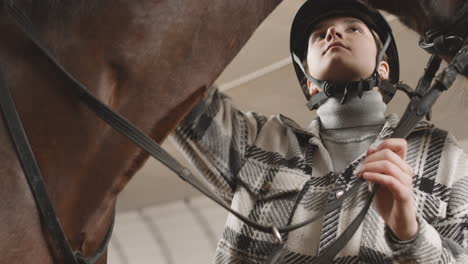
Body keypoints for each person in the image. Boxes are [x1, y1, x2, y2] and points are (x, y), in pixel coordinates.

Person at [171, 0, 468, 262]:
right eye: (318, 35)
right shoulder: (257, 140)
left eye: (353, 28)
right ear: (310, 82)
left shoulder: (444, 156)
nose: (332, 34)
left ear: (384, 69)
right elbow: (170, 81)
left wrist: (409, 233)